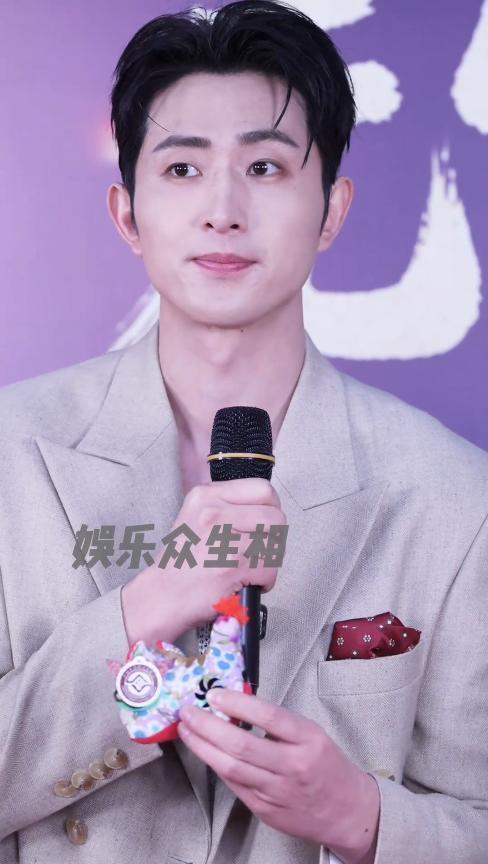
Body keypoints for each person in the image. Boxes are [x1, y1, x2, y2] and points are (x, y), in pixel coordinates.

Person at [0, 1, 486, 862]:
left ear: (332, 211)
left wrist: (365, 818)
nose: (223, 209)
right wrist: (146, 608)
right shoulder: (13, 453)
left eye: (265, 166)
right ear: (127, 214)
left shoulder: (453, 496)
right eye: (183, 168)